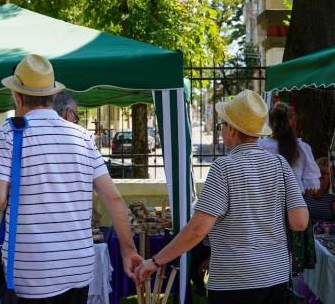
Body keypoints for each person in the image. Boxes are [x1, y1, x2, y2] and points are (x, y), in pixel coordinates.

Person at [0, 54, 141, 303]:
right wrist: (129, 250)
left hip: (32, 272)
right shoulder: (83, 136)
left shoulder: (10, 131)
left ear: (16, 95)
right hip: (78, 267)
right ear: (54, 95)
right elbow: (113, 197)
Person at [135, 90, 309, 304]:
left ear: (232, 129)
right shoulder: (281, 165)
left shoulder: (224, 168)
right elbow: (299, 222)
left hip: (234, 282)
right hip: (276, 276)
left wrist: (156, 261)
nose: (221, 130)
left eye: (222, 124)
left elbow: (197, 230)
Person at [258, 102, 320, 276]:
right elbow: (312, 187)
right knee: (289, 259)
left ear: (270, 124)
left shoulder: (261, 147)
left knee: (266, 256)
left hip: (264, 209)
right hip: (295, 210)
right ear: (292, 122)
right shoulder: (302, 149)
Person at [258, 102, 321, 195]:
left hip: (263, 205)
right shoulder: (302, 148)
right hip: (294, 205)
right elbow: (312, 189)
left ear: (270, 124)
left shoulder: (259, 146)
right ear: (293, 124)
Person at [304, 157, 335, 222]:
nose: (324, 177)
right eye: (322, 173)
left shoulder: (332, 193)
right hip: (306, 229)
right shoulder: (306, 189)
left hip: (327, 230)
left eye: (328, 174)